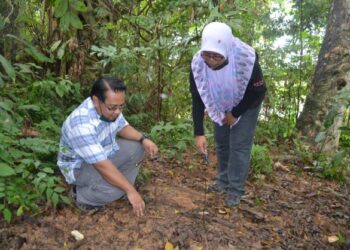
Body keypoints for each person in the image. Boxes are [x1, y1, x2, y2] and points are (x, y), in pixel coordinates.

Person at [190, 22, 267, 207]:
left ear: (226, 49)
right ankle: (223, 182)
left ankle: (235, 189)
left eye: (216, 56)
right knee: (222, 142)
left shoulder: (245, 59)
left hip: (247, 104)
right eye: (207, 54)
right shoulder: (198, 65)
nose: (210, 60)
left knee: (239, 145)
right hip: (219, 103)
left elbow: (258, 91)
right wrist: (199, 133)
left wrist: (236, 113)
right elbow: (197, 97)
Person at [57, 76, 158, 216]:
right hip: (80, 167)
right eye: (112, 108)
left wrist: (143, 139)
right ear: (96, 101)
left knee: (137, 147)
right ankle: (81, 195)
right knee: (120, 189)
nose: (118, 112)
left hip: (103, 153)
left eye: (121, 106)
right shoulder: (81, 125)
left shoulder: (111, 109)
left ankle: (115, 184)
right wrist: (130, 190)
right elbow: (102, 165)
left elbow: (122, 126)